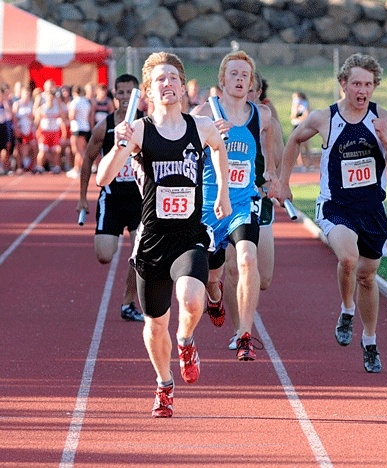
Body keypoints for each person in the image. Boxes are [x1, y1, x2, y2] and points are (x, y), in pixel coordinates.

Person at [96, 52, 231, 418]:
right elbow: (102, 178)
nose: (168, 83)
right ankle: (164, 383)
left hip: (189, 235)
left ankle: (186, 340)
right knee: (156, 325)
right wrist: (119, 143)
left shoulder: (200, 126)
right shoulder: (138, 130)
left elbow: (219, 149)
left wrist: (222, 192)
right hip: (152, 239)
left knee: (190, 299)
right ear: (148, 90)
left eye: (173, 77)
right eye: (160, 79)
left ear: (182, 85)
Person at [276, 53, 387, 373]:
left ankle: (370, 341)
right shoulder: (326, 118)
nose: (363, 90)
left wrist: (385, 139)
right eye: (357, 84)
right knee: (348, 259)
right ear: (344, 85)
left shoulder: (384, 118)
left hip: (372, 209)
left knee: (367, 275)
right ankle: (347, 310)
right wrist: (283, 182)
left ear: (374, 86)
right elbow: (294, 138)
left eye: (369, 84)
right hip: (336, 206)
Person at [191, 51, 278, 361]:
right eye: (234, 74)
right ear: (222, 80)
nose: (240, 79)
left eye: (245, 75)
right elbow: (186, 150)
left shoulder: (261, 115)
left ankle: (244, 334)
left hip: (243, 202)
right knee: (212, 276)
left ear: (251, 81)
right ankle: (215, 297)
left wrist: (269, 170)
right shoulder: (203, 112)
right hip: (210, 206)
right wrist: (209, 136)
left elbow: (271, 136)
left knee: (246, 259)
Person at [77, 74, 145, 323]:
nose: (126, 98)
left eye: (130, 93)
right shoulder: (104, 127)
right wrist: (82, 197)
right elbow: (86, 159)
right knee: (104, 255)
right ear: (114, 95)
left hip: (140, 201)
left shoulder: (146, 124)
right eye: (121, 93)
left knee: (141, 253)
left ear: (138, 96)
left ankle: (128, 302)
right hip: (112, 199)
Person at [223, 71, 284, 350]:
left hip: (260, 200)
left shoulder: (267, 121)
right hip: (232, 202)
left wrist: (274, 180)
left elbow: (279, 161)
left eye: (251, 89)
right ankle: (240, 331)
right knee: (234, 267)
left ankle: (243, 315)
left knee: (264, 278)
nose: (244, 93)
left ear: (258, 93)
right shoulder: (220, 116)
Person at [66, 85, 92, 179]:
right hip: (85, 127)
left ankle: (82, 168)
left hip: (77, 128)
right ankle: (77, 168)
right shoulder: (86, 102)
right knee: (79, 150)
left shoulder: (74, 102)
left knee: (77, 150)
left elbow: (72, 116)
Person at [290, 91, 313, 170]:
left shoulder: (303, 104)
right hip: (298, 125)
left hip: (302, 126)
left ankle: (307, 163)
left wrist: (300, 117)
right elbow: (293, 116)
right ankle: (304, 163)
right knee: (300, 146)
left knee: (304, 146)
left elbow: (306, 115)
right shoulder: (297, 105)